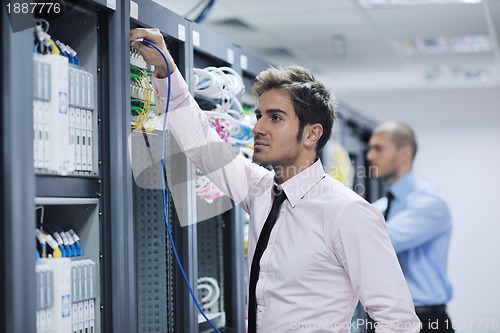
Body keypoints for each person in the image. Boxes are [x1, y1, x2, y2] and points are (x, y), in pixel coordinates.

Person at [130, 28, 420, 333]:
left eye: (276, 118)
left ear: (312, 133)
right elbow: (201, 145)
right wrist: (165, 68)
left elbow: (398, 321)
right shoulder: (260, 191)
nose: (259, 128)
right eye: (259, 115)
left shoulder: (347, 212)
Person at [367, 122, 454, 333]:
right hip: (384, 321)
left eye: (379, 148)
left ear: (405, 153)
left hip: (426, 321)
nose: (370, 156)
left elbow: (379, 243)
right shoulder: (379, 207)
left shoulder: (430, 203)